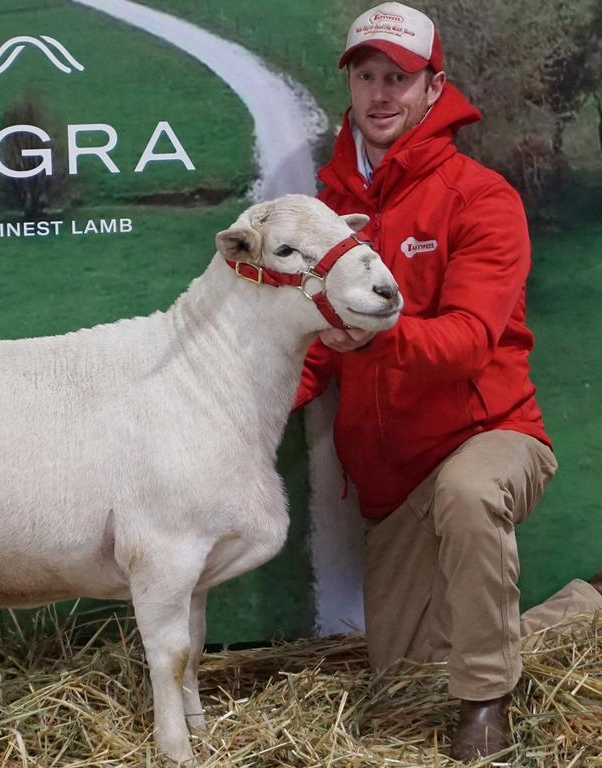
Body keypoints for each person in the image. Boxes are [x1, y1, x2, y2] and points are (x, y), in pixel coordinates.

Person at [294, 2, 602, 760]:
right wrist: (247, 406)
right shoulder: (326, 210)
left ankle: (488, 709)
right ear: (352, 88)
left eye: (400, 78)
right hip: (394, 480)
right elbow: (309, 349)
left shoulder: (482, 197)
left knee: (468, 494)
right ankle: (591, 606)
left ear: (435, 88)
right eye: (368, 76)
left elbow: (468, 343)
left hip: (491, 438)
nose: (382, 94)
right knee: (407, 682)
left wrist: (374, 335)